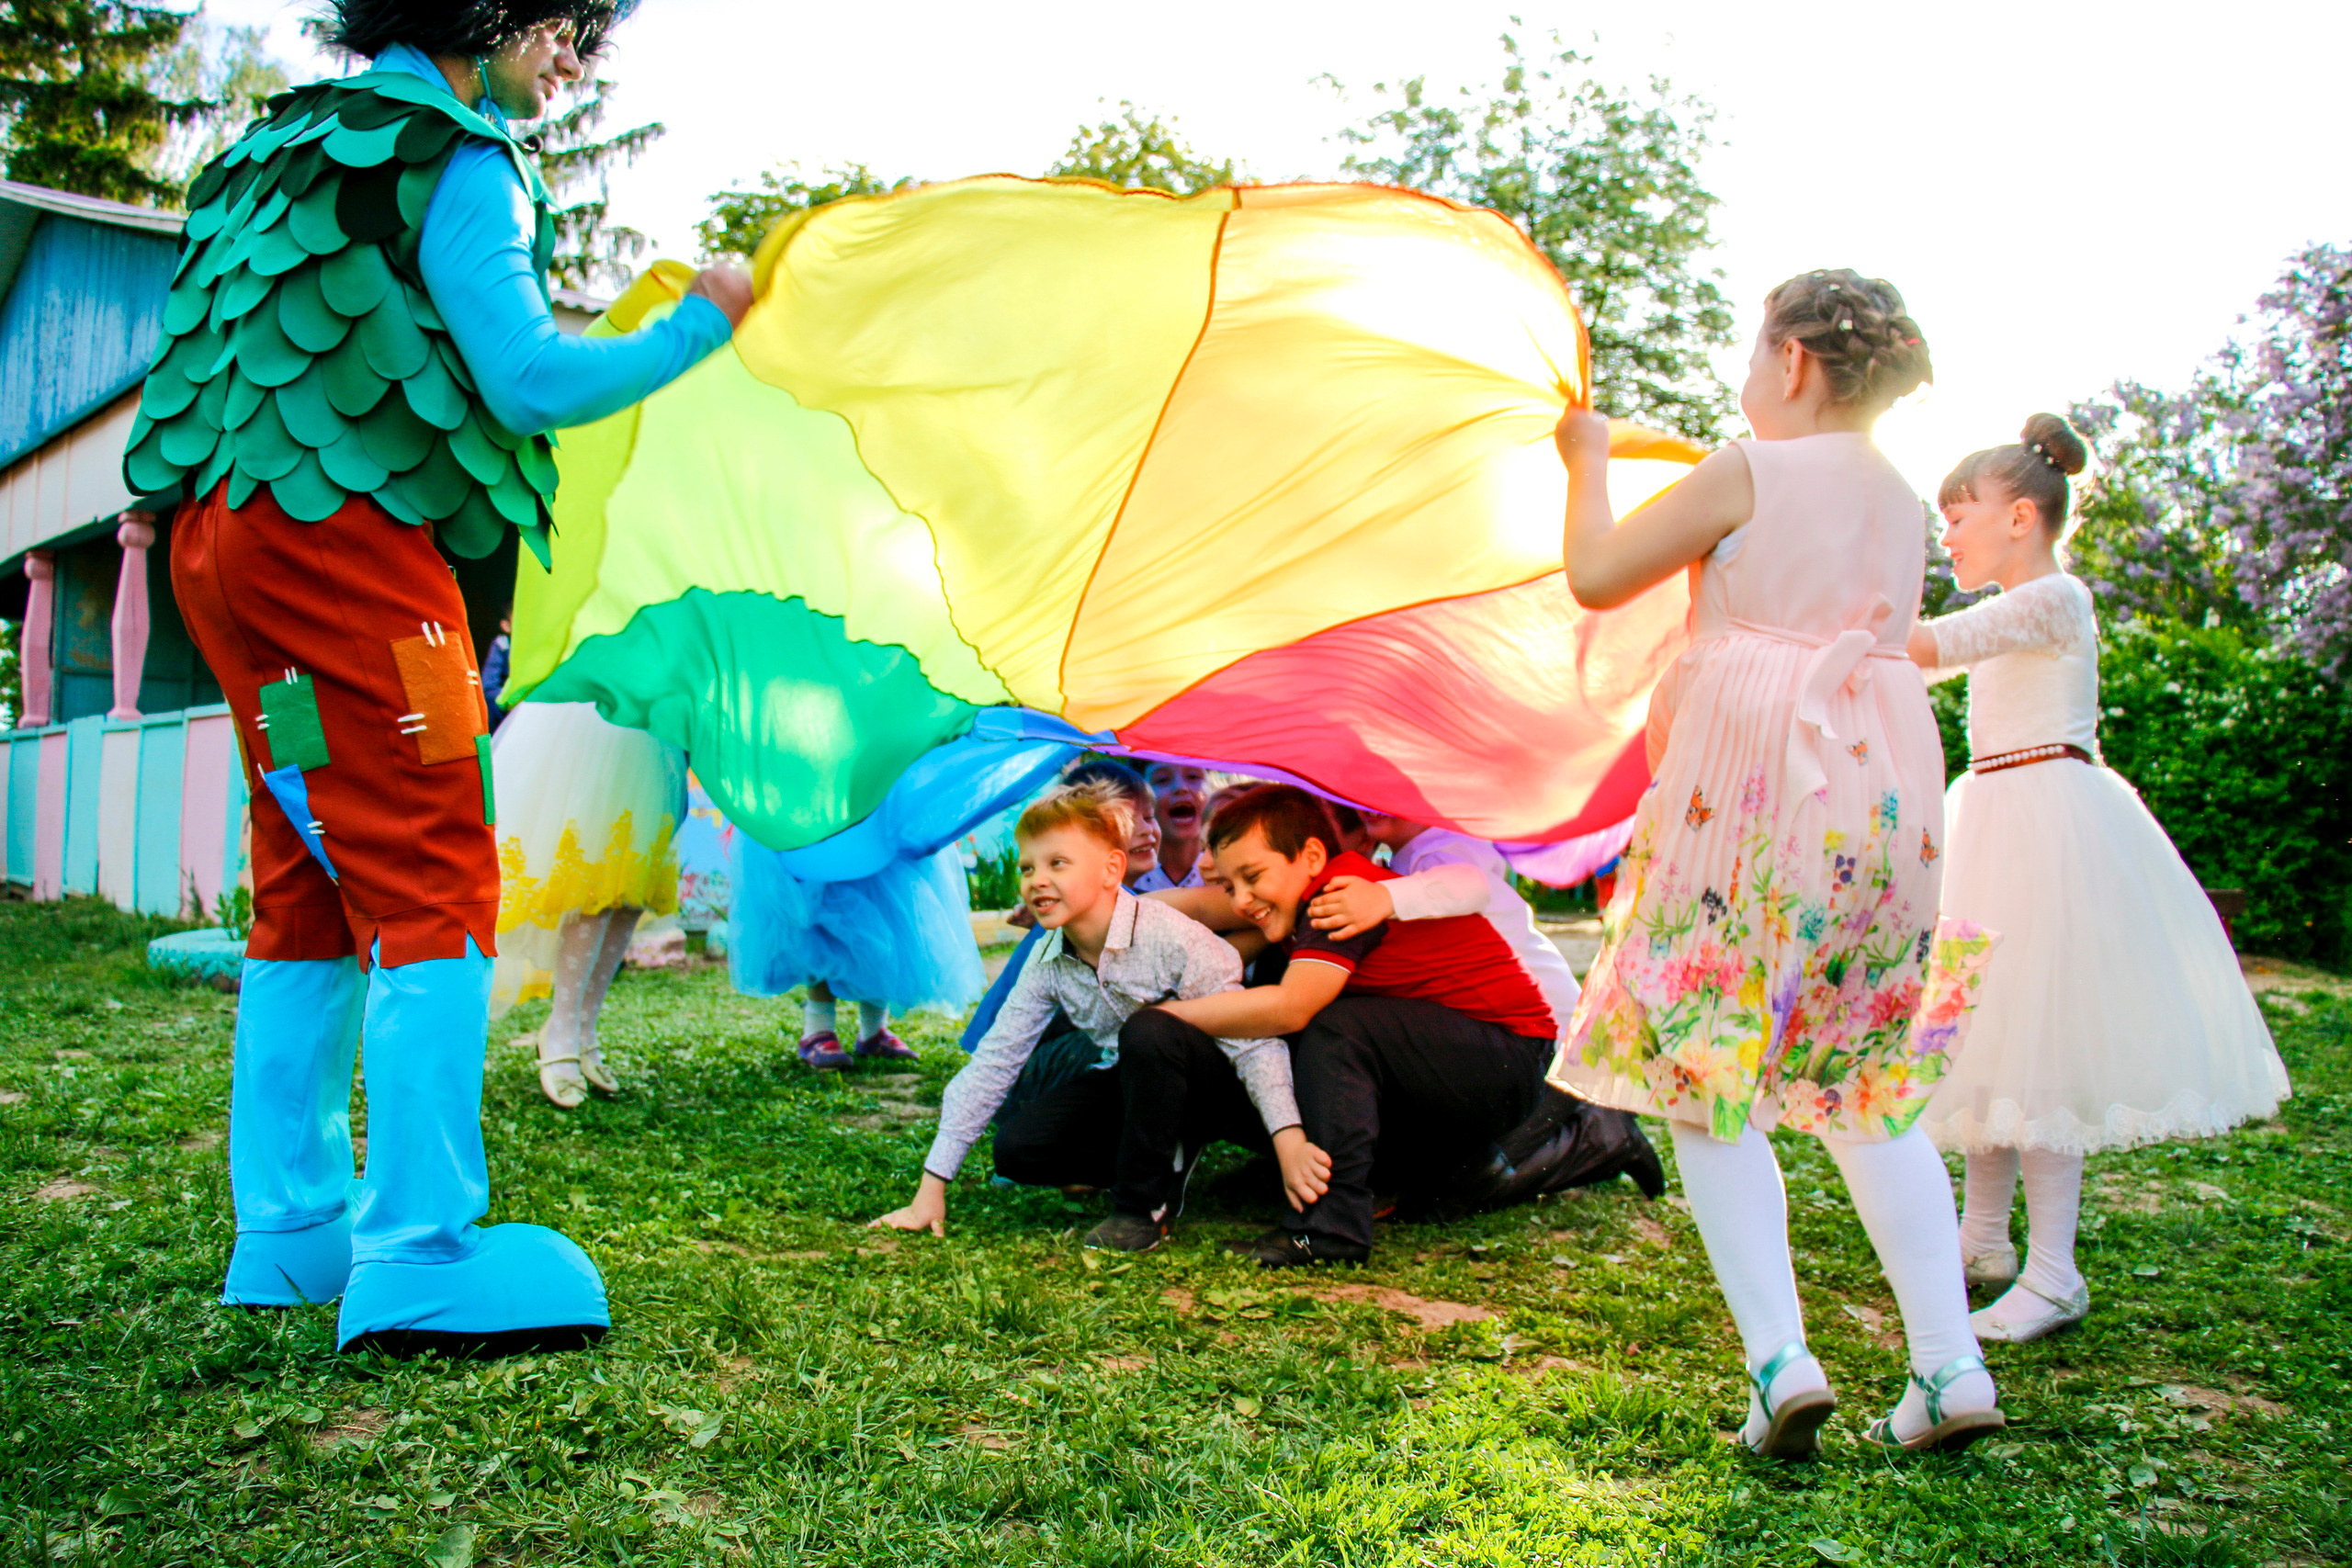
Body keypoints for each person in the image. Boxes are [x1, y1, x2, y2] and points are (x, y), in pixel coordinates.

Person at [123, 0, 752, 1357]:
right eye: (565, 21)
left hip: (228, 562)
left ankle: (290, 1226)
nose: (576, 56)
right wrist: (702, 324)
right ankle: (417, 1248)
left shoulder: (277, 150)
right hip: (357, 566)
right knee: (435, 867)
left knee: (308, 856)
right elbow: (525, 378)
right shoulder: (454, 153)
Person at [1545, 270, 2007, 1457]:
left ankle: (1780, 1357)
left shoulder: (1750, 465)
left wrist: (1584, 457)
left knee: (1705, 1068)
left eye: (1755, 350)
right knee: (1863, 1076)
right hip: (1880, 783)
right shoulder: (1906, 498)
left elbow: (1598, 573)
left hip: (1753, 776)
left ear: (1794, 357)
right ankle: (1949, 1363)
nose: (1748, 377)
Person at [1907, 415, 2290, 1344]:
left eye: (1958, 517)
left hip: (2047, 821)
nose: (1946, 535)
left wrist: (1848, 608)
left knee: (2038, 1036)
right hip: (1994, 812)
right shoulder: (2023, 603)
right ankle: (1984, 1241)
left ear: (2021, 517)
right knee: (1986, 1027)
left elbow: (1932, 648)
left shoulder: (2054, 597)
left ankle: (2053, 1273)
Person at [1153, 784, 1644, 1268]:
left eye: (1251, 876)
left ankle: (1330, 1228)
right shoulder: (1301, 895)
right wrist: (1111, 912)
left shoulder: (1347, 895)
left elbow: (1292, 1007)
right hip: (1456, 1048)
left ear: (1310, 856)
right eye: (1230, 884)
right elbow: (1201, 908)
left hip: (1513, 1049)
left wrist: (1385, 898)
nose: (1238, 899)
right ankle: (1349, 1183)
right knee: (1435, 1188)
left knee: (1336, 1029)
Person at [874, 782, 1325, 1251]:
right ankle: (1163, 1153)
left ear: (1112, 869)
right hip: (1138, 1081)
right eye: (1028, 867)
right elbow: (994, 1063)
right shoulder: (1048, 959)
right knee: (1018, 1149)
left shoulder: (1169, 935)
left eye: (1057, 864)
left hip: (1219, 1085)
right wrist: (931, 1189)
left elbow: (1251, 1039)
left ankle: (1140, 1207)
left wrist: (1287, 1136)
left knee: (1150, 1028)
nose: (1036, 880)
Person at [1310, 811, 1665, 1207]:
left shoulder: (1449, 848)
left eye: (1389, 794)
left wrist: (1386, 898)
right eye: (1363, 794)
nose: (1372, 806)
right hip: (1511, 1040)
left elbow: (1471, 885)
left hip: (1555, 1053)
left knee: (1462, 1182)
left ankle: (1604, 1138)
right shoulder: (1404, 859)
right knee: (1437, 1171)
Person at [490, 699, 687, 1106]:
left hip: (654, 722)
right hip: (592, 720)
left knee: (634, 888)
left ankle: (584, 1026)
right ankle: (561, 1026)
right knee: (595, 881)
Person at [1139, 761, 1211, 892]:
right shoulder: (1126, 878)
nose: (1180, 787)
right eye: (1162, 780)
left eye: (1193, 776)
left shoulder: (1227, 874)